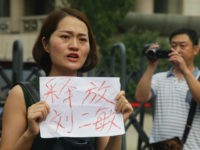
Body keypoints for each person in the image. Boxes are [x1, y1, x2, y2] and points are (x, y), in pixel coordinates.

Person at [0, 7, 133, 150]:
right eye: (65, 37)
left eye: (82, 39)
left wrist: (116, 126)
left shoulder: (98, 95)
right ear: (46, 44)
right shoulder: (21, 94)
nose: (74, 46)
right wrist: (30, 134)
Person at [135, 28, 200, 149]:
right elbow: (140, 97)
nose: (177, 50)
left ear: (195, 49)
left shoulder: (198, 78)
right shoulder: (159, 78)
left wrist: (184, 70)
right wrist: (151, 66)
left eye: (182, 46)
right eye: (173, 46)